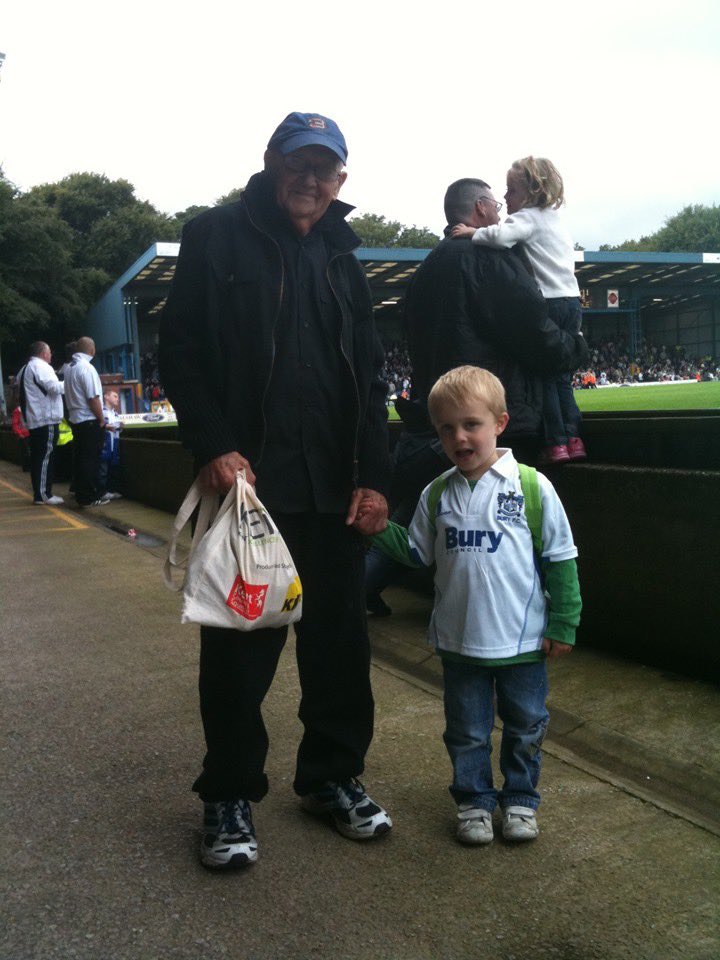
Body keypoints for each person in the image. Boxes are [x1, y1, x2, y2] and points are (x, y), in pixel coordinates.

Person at [158, 111, 393, 870]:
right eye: (301, 163)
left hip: (334, 490)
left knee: (340, 650)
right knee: (239, 657)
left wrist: (376, 479)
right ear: (270, 161)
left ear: (342, 181)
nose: (312, 180)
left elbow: (371, 378)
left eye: (327, 169)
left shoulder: (343, 255)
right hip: (251, 489)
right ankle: (228, 793)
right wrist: (213, 445)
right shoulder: (215, 235)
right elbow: (182, 352)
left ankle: (331, 778)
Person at [354, 366, 581, 844]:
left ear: (499, 422)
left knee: (525, 727)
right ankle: (474, 802)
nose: (459, 437)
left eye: (471, 424)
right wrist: (380, 531)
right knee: (466, 733)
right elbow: (417, 552)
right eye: (446, 428)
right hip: (461, 644)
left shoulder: (532, 487)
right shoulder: (437, 493)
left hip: (523, 643)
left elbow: (561, 559)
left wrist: (564, 622)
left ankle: (520, 799)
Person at [406, 179, 586, 469]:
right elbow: (535, 335)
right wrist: (577, 346)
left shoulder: (425, 268)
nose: (500, 214)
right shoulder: (488, 257)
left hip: (441, 426)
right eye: (495, 205)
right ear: (480, 207)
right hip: (495, 429)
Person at [64, 337, 111, 507]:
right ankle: (90, 495)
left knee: (81, 457)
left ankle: (79, 491)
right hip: (89, 419)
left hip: (75, 419)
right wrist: (101, 418)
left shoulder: (69, 368)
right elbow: (93, 398)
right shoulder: (87, 368)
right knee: (91, 459)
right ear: (92, 350)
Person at [16, 341, 65, 505]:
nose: (51, 355)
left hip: (34, 419)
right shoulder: (41, 367)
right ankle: (44, 494)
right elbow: (54, 387)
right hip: (46, 418)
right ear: (43, 353)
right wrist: (71, 383)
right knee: (45, 457)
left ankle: (40, 492)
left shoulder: (24, 369)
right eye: (50, 352)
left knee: (38, 457)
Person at [96, 389, 124, 500]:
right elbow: (98, 426)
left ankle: (111, 490)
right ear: (106, 397)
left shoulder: (116, 414)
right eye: (115, 396)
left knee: (112, 469)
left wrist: (120, 427)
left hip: (114, 445)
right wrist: (106, 427)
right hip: (104, 445)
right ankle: (102, 492)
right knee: (103, 470)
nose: (117, 399)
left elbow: (117, 431)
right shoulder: (101, 411)